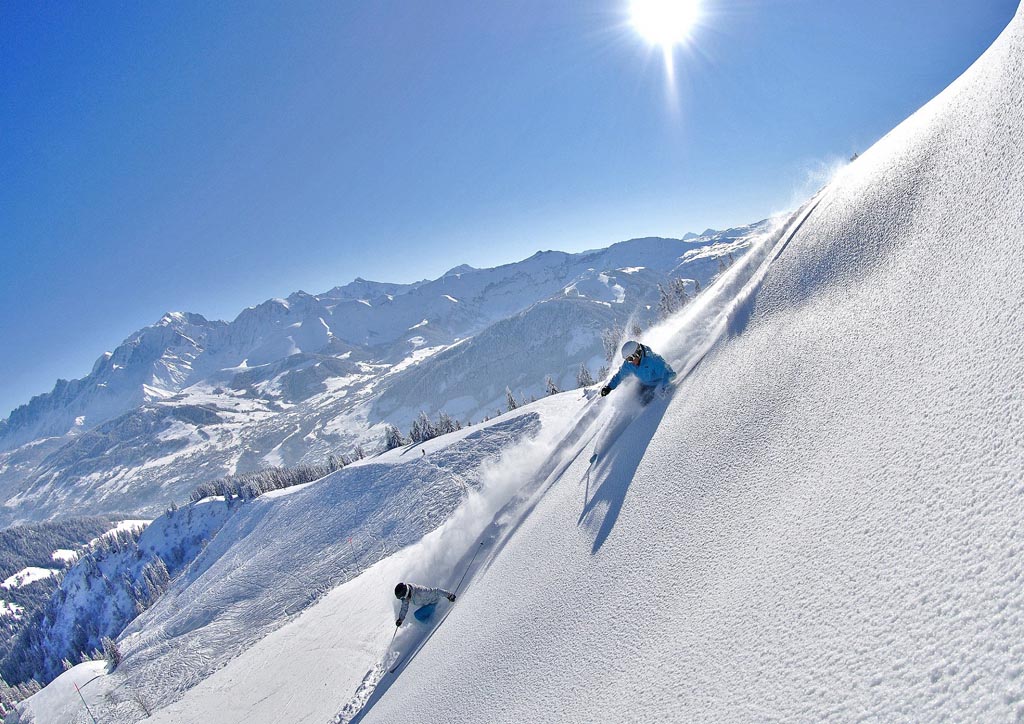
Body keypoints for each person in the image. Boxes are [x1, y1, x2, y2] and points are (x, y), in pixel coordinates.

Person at [600, 341, 675, 397]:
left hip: (657, 384)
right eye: (628, 359)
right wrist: (609, 387)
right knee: (638, 401)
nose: (630, 361)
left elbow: (668, 373)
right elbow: (620, 375)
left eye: (630, 358)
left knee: (652, 404)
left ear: (637, 353)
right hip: (644, 385)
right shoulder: (629, 364)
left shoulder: (652, 360)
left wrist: (666, 386)